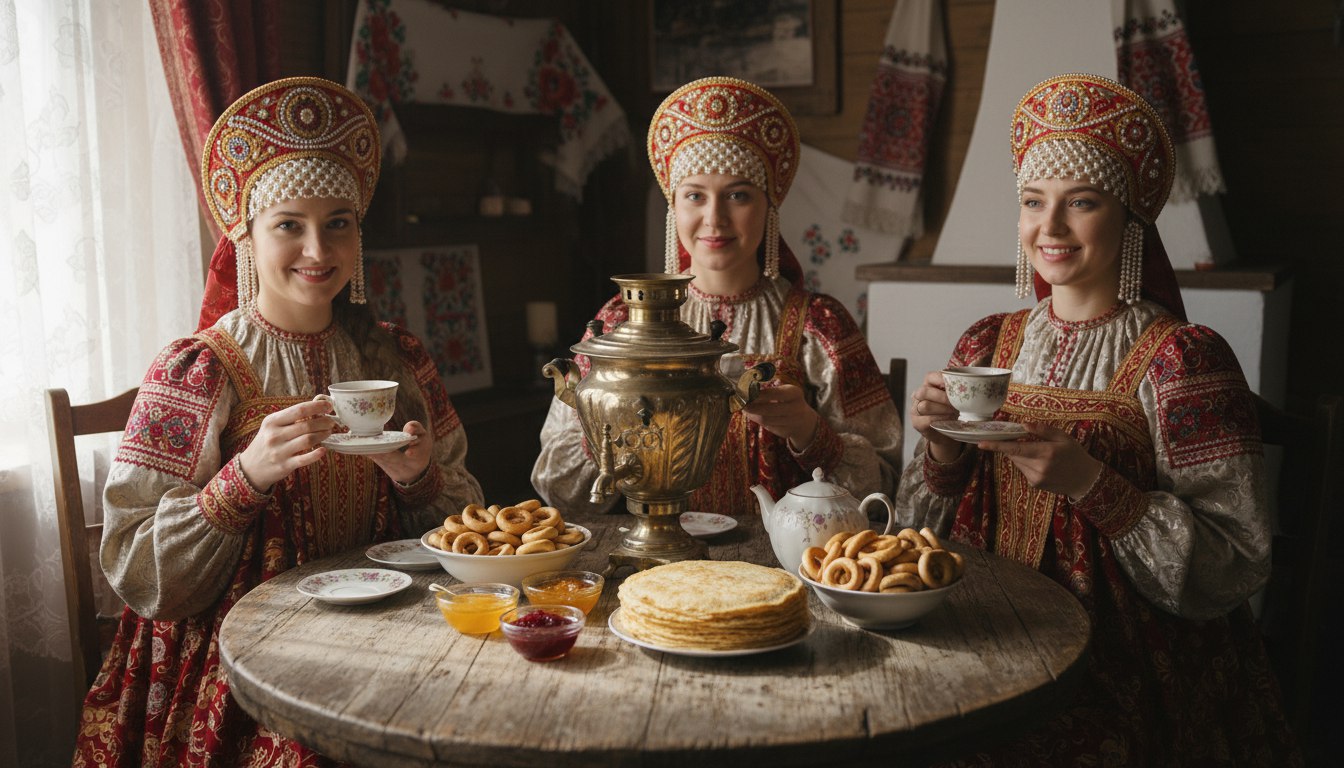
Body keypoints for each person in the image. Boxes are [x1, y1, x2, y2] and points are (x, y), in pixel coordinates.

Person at [73, 77, 483, 766]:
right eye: (289, 224)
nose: (317, 250)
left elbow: (470, 522)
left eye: (338, 223)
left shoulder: (399, 359)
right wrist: (242, 479)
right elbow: (135, 565)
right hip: (237, 659)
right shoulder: (197, 371)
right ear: (246, 233)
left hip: (386, 632)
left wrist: (419, 480)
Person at [896, 73, 1300, 765]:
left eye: (1080, 203)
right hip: (979, 628)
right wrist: (941, 451)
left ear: (1129, 218)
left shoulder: (1184, 358)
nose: (1048, 229)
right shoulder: (983, 344)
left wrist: (1091, 481)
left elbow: (1236, 559)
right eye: (1032, 203)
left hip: (1121, 661)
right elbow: (913, 535)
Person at [532, 76, 902, 517]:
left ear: (769, 206)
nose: (715, 218)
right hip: (656, 566)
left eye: (738, 195)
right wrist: (614, 424)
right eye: (695, 196)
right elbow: (560, 492)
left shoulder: (818, 325)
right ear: (674, 206)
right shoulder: (620, 323)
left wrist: (809, 431)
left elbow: (882, 489)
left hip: (786, 564)